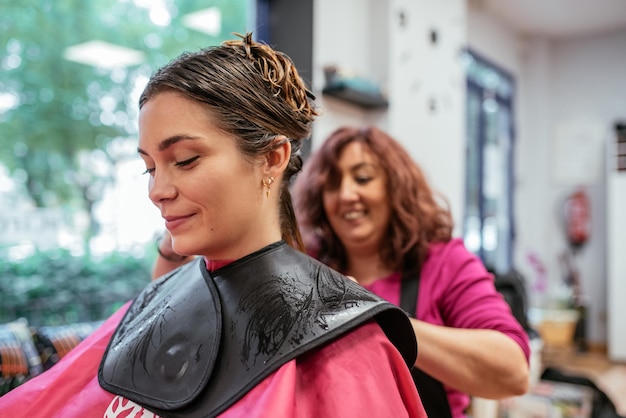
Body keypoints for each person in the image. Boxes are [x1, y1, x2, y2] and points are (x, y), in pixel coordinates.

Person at [0, 36, 427, 418]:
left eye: (185, 160)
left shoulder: (348, 346)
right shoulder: (160, 296)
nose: (157, 190)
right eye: (149, 168)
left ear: (273, 158)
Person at [292, 126, 531, 418]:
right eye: (331, 184)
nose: (346, 194)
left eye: (363, 178)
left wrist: (379, 319)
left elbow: (513, 372)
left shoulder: (444, 262)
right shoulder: (305, 264)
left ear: (396, 186)